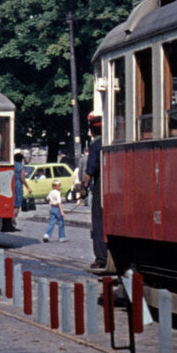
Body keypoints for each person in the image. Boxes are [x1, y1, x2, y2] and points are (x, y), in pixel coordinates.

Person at [80, 112, 109, 270]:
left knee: (98, 221)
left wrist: (84, 186)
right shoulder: (109, 141)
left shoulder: (95, 145)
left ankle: (101, 257)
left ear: (92, 130)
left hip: (100, 186)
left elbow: (90, 169)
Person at [8, 152, 27, 231]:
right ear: (21, 160)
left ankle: (9, 221)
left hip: (10, 184)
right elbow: (22, 178)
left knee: (11, 203)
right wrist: (27, 187)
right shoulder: (21, 167)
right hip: (18, 185)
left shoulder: (12, 165)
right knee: (17, 204)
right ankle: (13, 218)